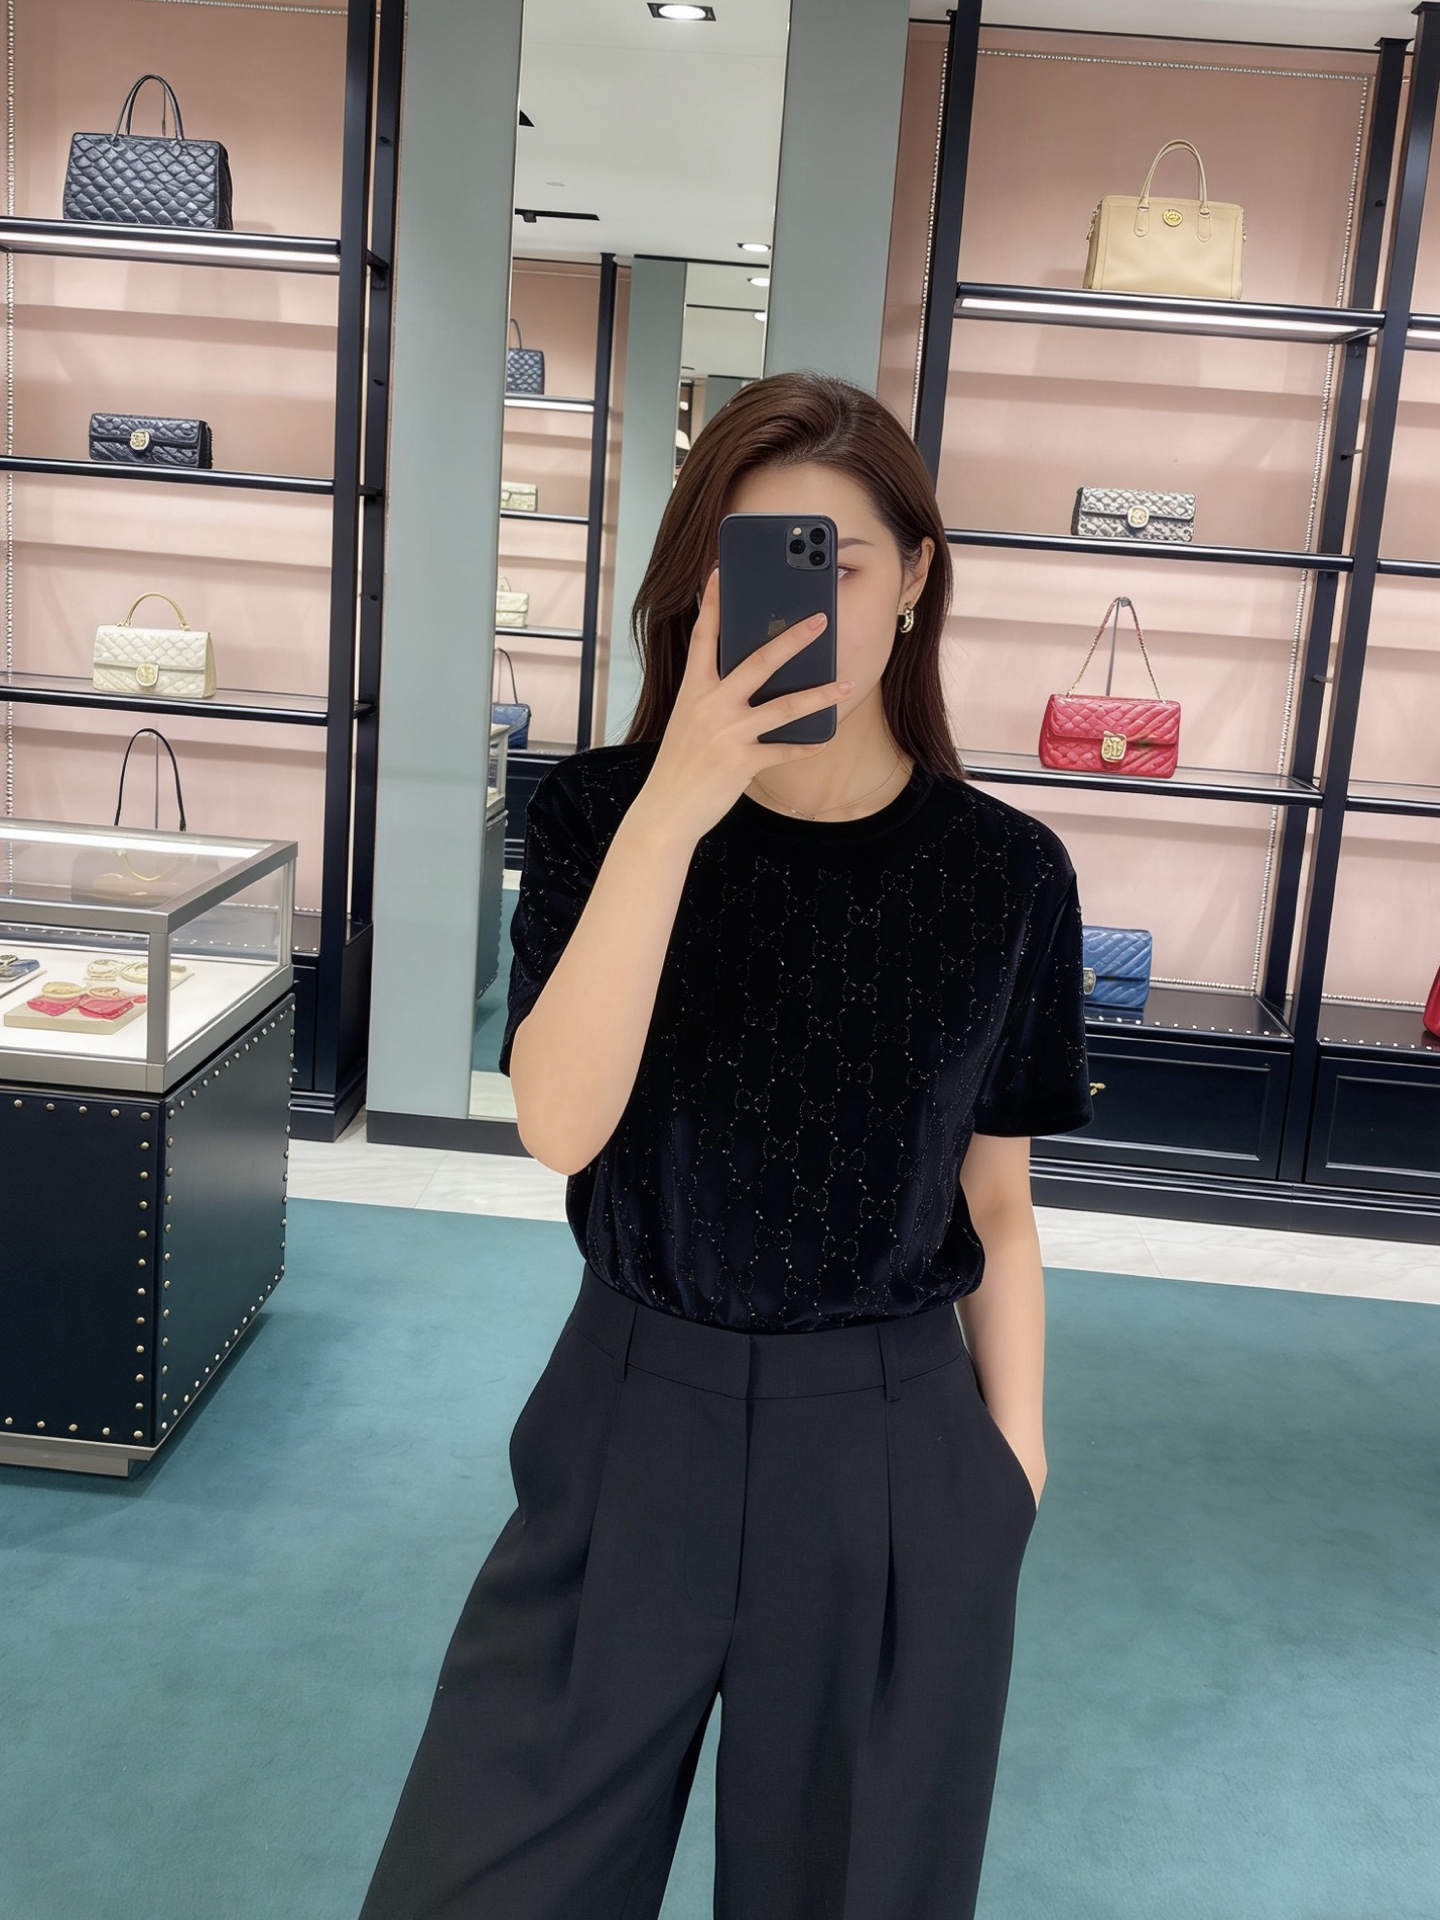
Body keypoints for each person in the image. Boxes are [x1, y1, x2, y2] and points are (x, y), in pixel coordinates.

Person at [358, 371, 1094, 1920]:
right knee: (478, 1882)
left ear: (917, 579)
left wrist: (1013, 1468)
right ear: (699, 591)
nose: (801, 605)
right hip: (628, 1413)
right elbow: (559, 1123)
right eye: (752, 566)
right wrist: (678, 808)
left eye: (844, 563)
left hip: (890, 1449)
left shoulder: (1008, 874)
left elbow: (999, 1200)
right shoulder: (599, 816)